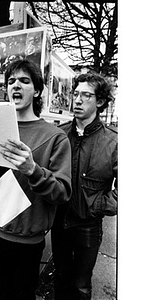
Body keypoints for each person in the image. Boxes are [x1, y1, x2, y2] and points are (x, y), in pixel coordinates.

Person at [0, 59, 72, 300]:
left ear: (36, 90)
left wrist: (32, 169)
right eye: (11, 81)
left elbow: (62, 193)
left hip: (28, 240)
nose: (16, 86)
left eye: (25, 81)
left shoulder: (55, 137)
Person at [51, 72, 118, 300]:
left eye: (86, 95)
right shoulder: (60, 134)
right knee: (60, 276)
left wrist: (99, 205)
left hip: (88, 225)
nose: (77, 100)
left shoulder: (113, 141)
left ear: (99, 101)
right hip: (60, 221)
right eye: (76, 94)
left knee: (81, 285)